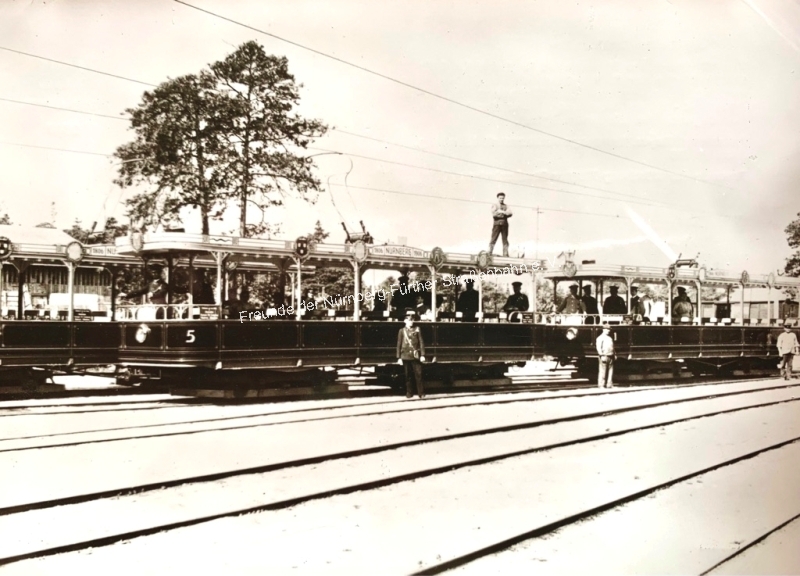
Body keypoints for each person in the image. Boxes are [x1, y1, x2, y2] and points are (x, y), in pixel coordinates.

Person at [397, 313, 426, 398]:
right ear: (405, 321)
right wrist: (399, 357)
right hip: (405, 356)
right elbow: (399, 344)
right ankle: (409, 393)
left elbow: (421, 342)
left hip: (415, 355)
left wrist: (422, 354)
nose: (411, 322)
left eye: (412, 320)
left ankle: (421, 393)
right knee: (408, 376)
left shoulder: (417, 329)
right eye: (409, 320)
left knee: (419, 375)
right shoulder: (402, 331)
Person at [488, 192, 513, 257]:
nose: (501, 199)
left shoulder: (506, 206)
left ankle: (505, 254)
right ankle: (489, 252)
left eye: (503, 198)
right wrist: (505, 214)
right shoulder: (495, 205)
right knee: (493, 238)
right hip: (497, 224)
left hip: (504, 225)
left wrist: (501, 212)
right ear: (498, 198)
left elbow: (510, 213)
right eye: (500, 198)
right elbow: (494, 214)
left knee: (505, 240)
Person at [596, 323, 615, 388]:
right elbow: (598, 347)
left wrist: (614, 354)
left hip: (610, 356)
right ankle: (601, 385)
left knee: (610, 371)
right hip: (604, 356)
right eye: (607, 329)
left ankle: (609, 385)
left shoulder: (609, 338)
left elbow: (613, 347)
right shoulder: (600, 338)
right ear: (603, 329)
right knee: (602, 371)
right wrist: (601, 355)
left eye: (609, 329)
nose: (609, 330)